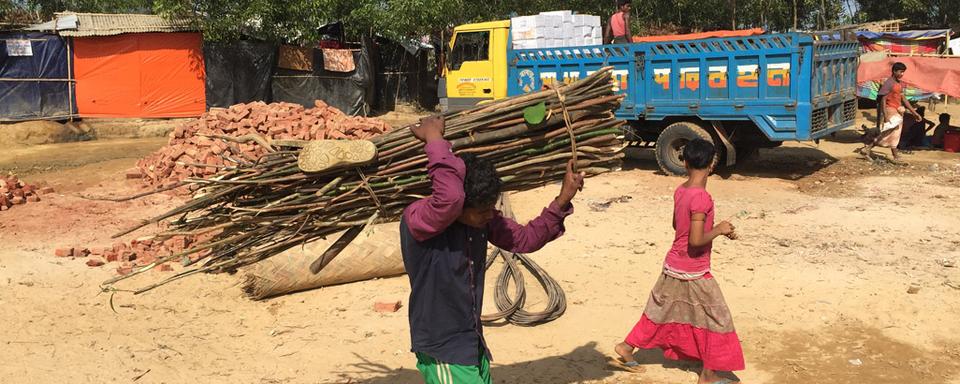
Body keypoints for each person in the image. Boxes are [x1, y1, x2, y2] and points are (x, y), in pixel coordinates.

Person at [400, 115, 585, 384]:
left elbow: (525, 239)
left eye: (492, 208)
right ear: (462, 205)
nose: (490, 215)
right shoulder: (420, 219)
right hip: (442, 346)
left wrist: (562, 199)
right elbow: (450, 198)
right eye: (481, 211)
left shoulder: (482, 219)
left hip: (470, 341)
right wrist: (435, 139)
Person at [610, 139, 744, 384]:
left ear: (685, 162)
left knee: (660, 310)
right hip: (693, 270)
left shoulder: (681, 190)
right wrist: (719, 229)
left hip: (673, 264)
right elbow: (695, 240)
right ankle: (708, 375)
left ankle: (626, 346)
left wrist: (709, 227)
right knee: (718, 318)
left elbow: (677, 226)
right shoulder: (702, 198)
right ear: (712, 164)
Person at [860, 62, 920, 161]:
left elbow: (903, 98)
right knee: (887, 131)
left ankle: (873, 150)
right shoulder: (889, 83)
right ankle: (869, 148)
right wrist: (886, 115)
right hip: (890, 110)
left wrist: (914, 113)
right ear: (894, 71)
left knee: (894, 133)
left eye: (903, 72)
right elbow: (883, 99)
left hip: (897, 110)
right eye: (900, 72)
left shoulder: (898, 83)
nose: (902, 74)